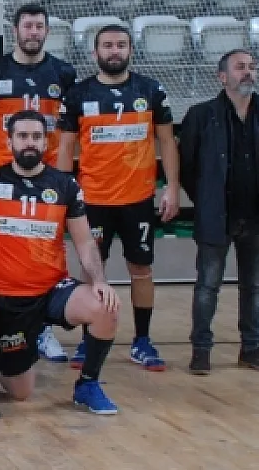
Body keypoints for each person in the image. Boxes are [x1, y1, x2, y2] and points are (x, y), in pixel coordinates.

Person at [0, 110, 122, 415]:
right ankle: (15, 348)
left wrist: (99, 281)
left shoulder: (64, 185)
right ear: (9, 141)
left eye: (36, 136)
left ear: (46, 142)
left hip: (53, 289)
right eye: (22, 136)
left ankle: (88, 384)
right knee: (20, 393)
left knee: (105, 306)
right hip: (9, 297)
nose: (30, 142)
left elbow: (84, 241)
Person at [57, 25, 180, 372]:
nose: (115, 51)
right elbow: (65, 148)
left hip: (137, 199)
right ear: (95, 53)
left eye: (121, 45)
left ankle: (142, 341)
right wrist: (63, 196)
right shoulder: (78, 94)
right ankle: (88, 340)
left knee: (141, 268)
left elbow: (167, 141)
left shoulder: (150, 90)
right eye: (108, 45)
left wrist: (172, 187)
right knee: (91, 269)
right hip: (92, 201)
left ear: (130, 51)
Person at [0, 3, 78, 363]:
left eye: (39, 26)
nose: (33, 32)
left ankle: (43, 328)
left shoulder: (63, 72)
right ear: (15, 30)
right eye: (27, 26)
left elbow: (68, 125)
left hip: (46, 177)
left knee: (47, 246)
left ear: (47, 31)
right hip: (4, 177)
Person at [179, 49, 259, 376]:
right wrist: (206, 201)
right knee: (207, 286)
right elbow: (187, 167)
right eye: (240, 67)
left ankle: (251, 349)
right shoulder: (201, 115)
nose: (248, 72)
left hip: (257, 217)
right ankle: (201, 350)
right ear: (222, 76)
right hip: (217, 216)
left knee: (253, 287)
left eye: (252, 67)